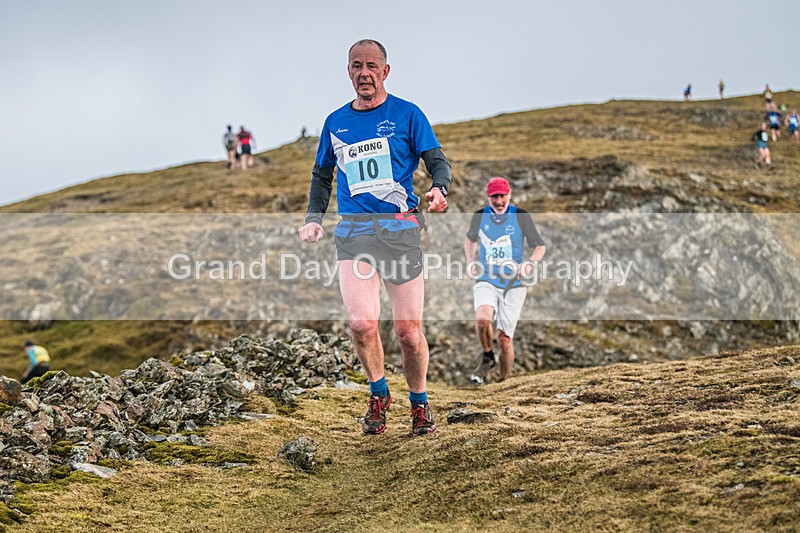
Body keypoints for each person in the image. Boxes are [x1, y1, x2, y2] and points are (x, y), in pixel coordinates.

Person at [298, 39, 451, 436]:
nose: (364, 73)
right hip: (355, 235)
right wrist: (314, 217)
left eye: (371, 66)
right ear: (348, 71)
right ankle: (379, 393)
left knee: (408, 332)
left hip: (399, 233)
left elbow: (437, 160)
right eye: (356, 66)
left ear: (385, 71)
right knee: (362, 325)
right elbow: (321, 175)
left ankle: (419, 402)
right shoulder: (335, 122)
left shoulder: (408, 114)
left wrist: (439, 188)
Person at [464, 177, 546, 384]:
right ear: (488, 197)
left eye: (502, 196)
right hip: (487, 278)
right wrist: (470, 260)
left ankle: (505, 381)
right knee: (483, 319)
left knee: (504, 339)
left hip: (515, 283)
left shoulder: (520, 216)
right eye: (494, 197)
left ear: (509, 195)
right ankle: (487, 356)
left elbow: (539, 246)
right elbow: (470, 238)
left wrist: (530, 263)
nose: (499, 201)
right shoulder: (479, 216)